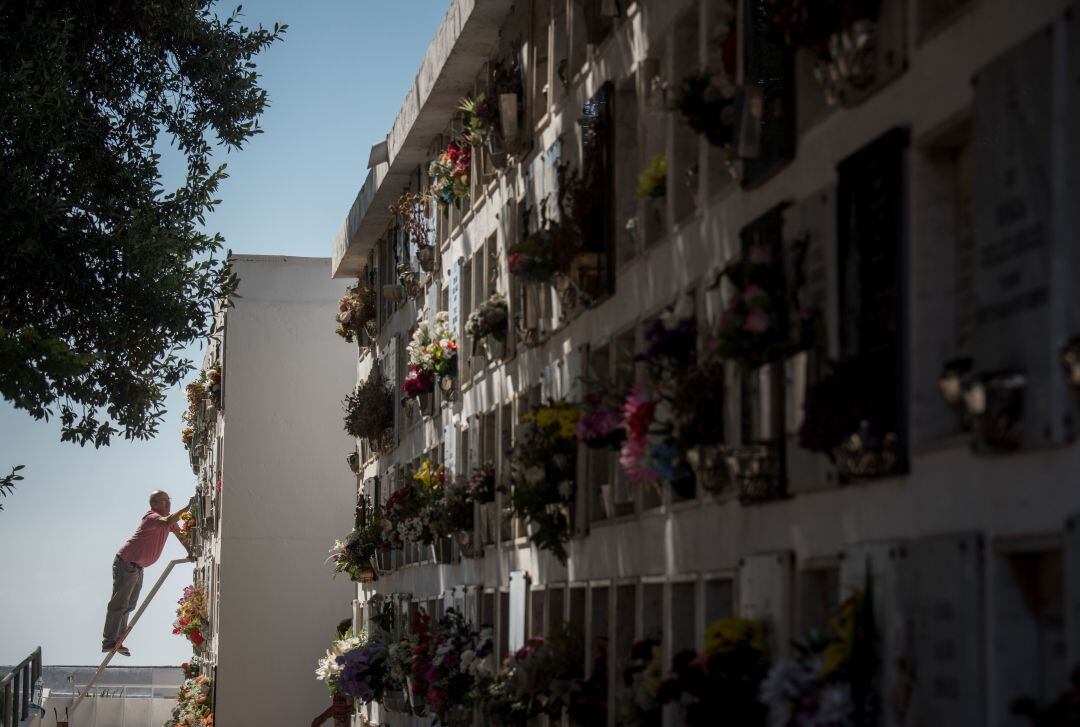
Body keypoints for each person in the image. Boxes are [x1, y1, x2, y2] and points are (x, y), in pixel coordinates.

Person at [101, 490, 194, 656]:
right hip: (126, 562)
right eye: (164, 501)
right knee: (120, 603)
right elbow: (167, 522)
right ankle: (109, 640)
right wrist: (187, 507)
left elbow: (181, 536)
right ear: (154, 505)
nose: (168, 504)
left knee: (129, 604)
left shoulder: (168, 520)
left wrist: (190, 551)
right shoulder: (151, 517)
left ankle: (117, 640)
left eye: (169, 500)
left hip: (137, 566)